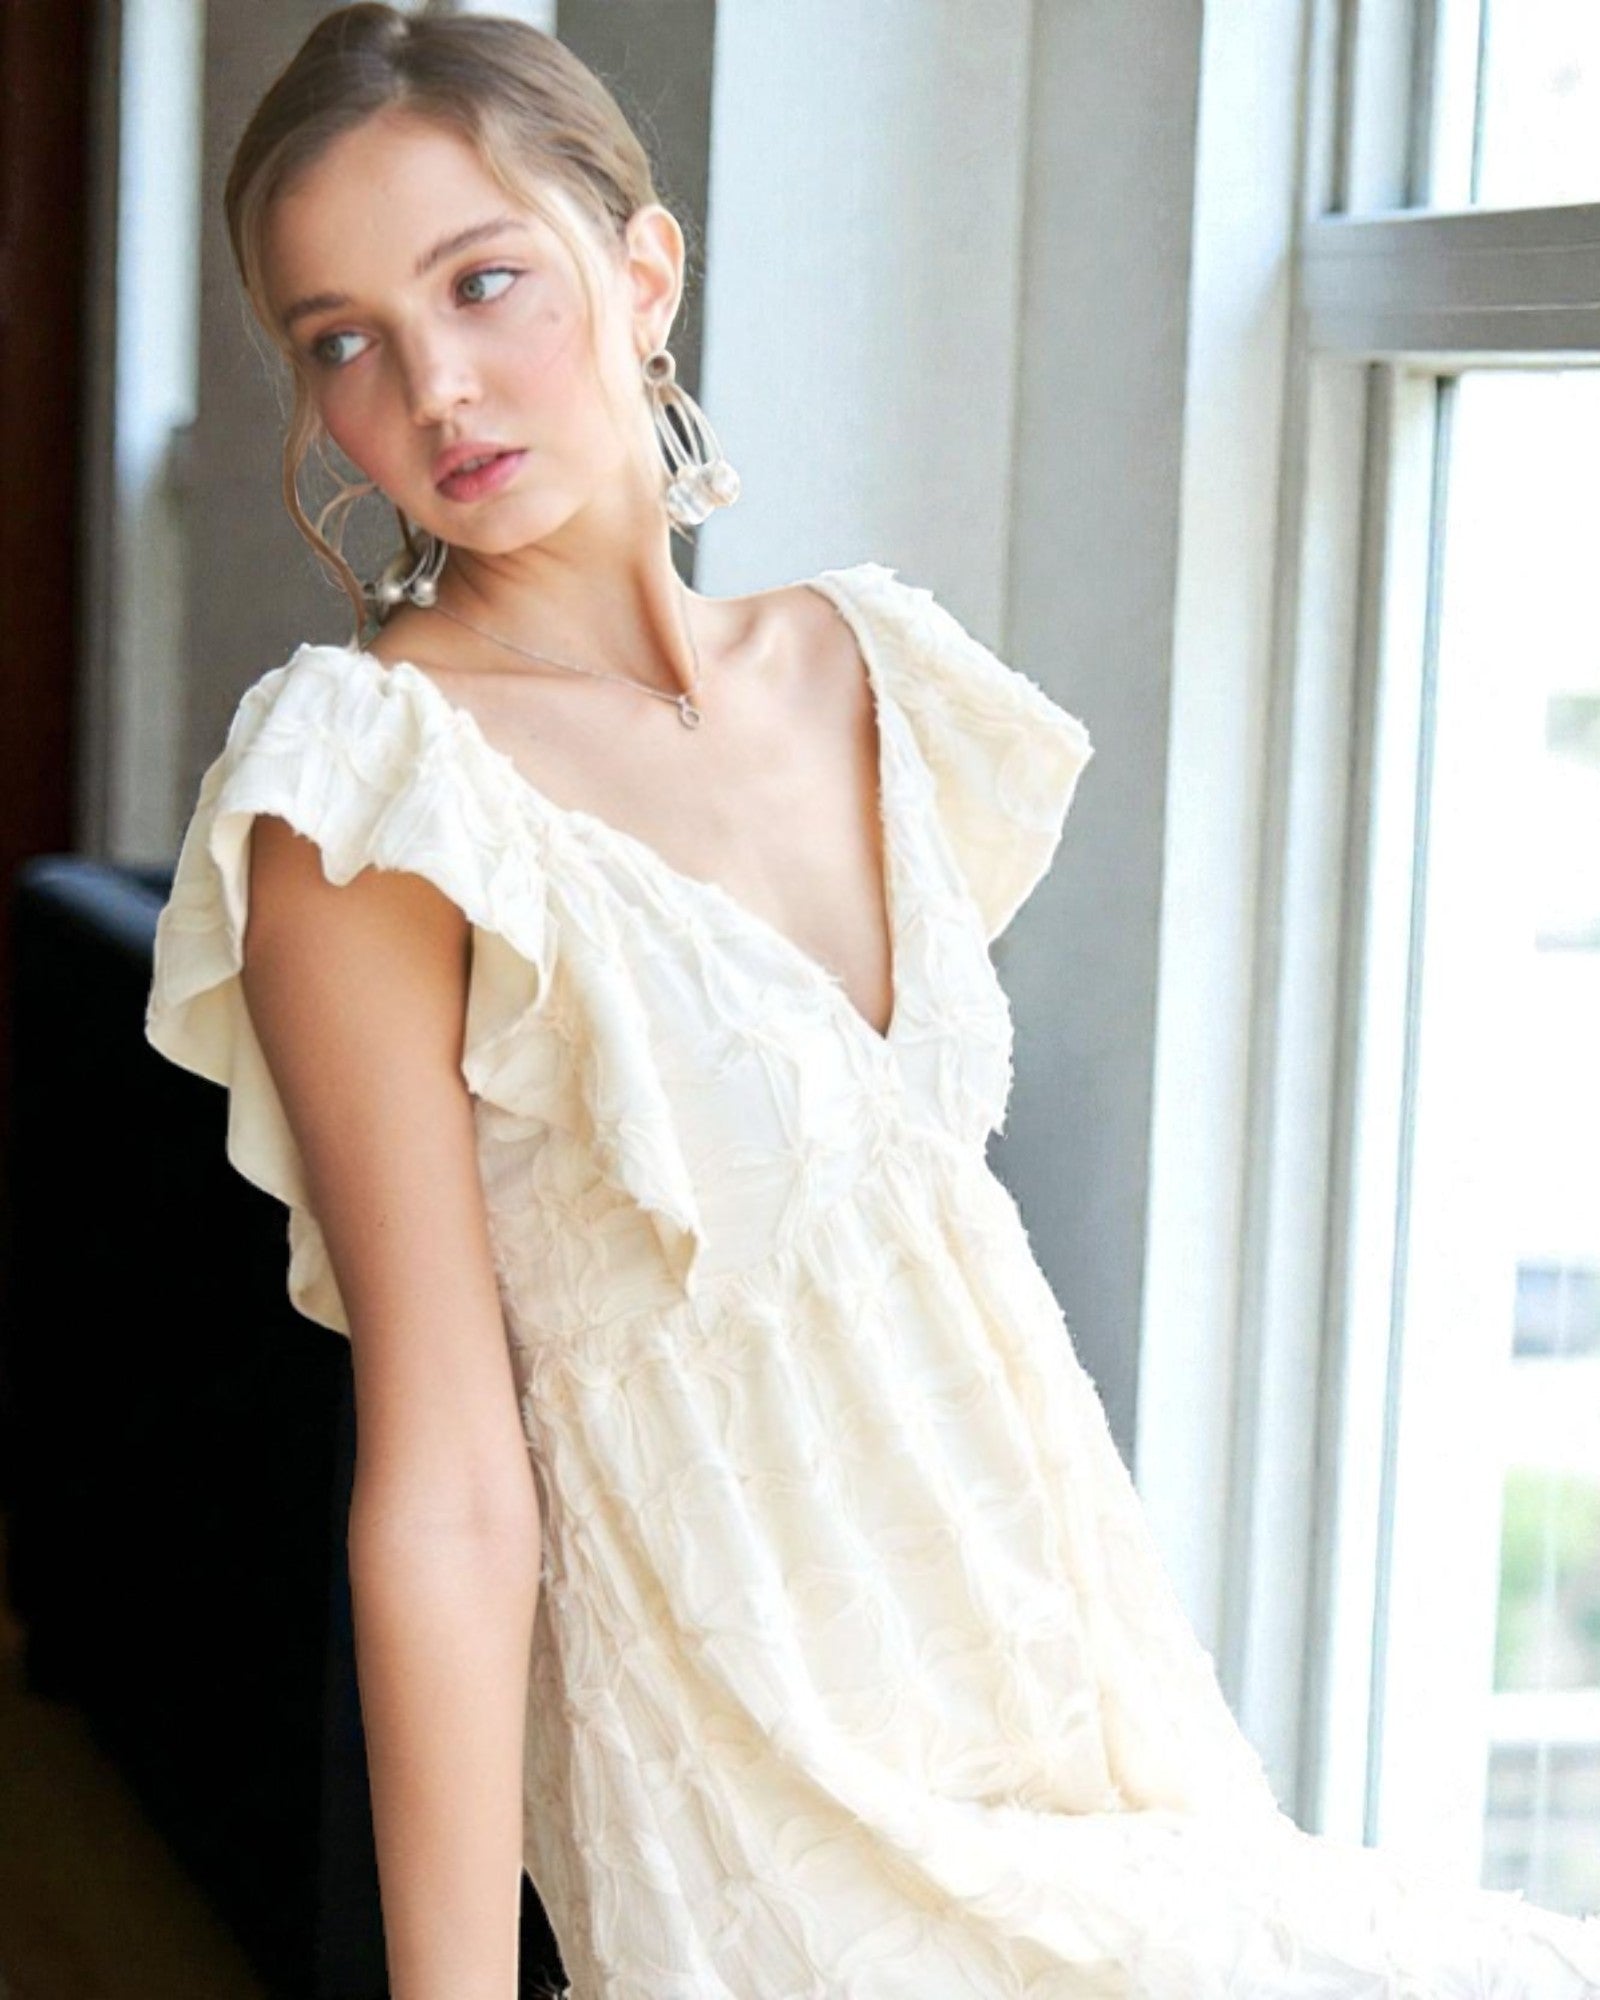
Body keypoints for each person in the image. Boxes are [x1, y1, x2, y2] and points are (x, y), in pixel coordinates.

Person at [141, 7, 1600, 1996]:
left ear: (640, 271)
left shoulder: (870, 670)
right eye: (343, 341)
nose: (434, 387)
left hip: (1086, 1742)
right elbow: (448, 1485)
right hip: (774, 1826)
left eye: (484, 283)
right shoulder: (376, 790)